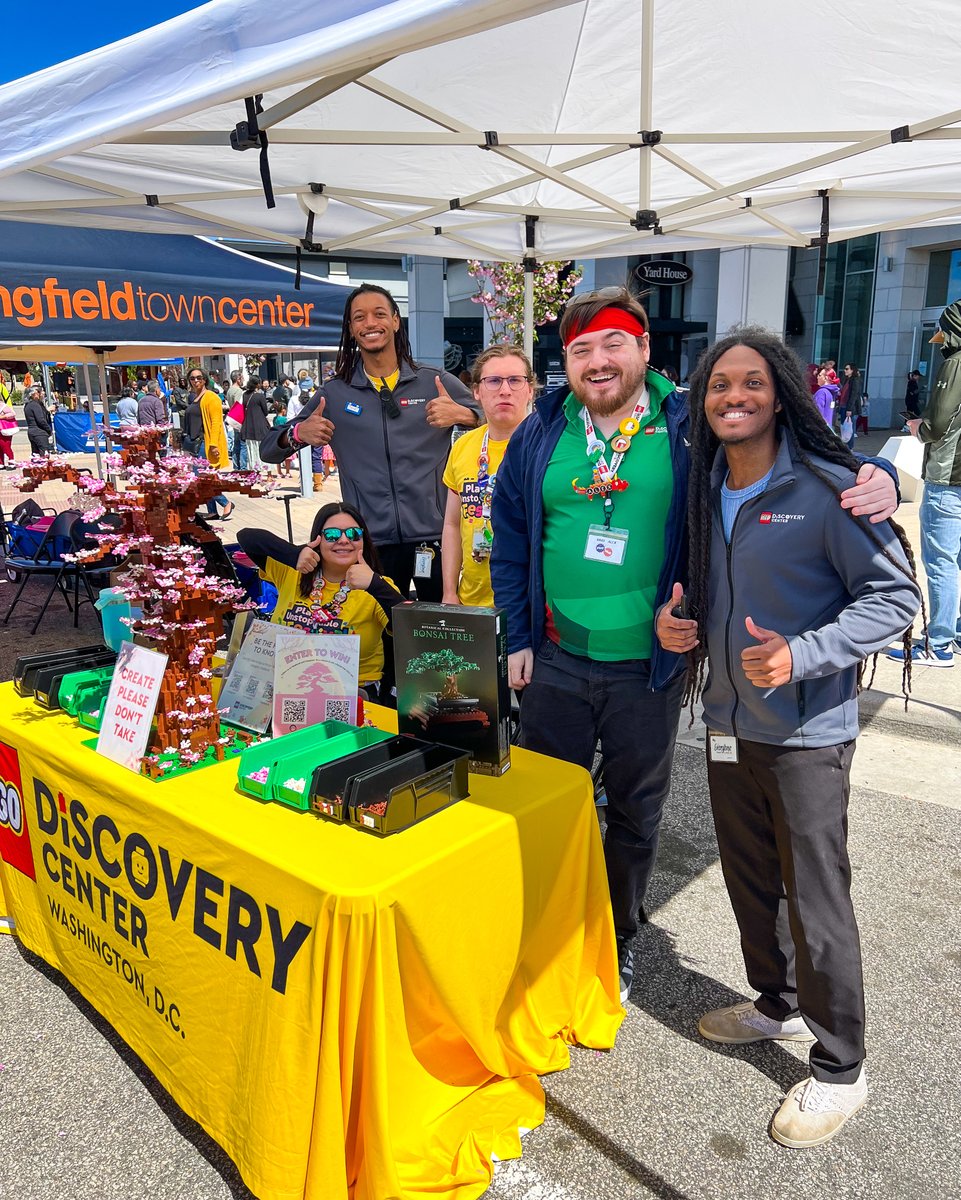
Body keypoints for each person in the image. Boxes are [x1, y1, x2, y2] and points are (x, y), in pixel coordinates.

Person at [490, 287, 901, 1006]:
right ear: (565, 363)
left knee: (633, 814)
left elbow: (796, 446)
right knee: (550, 805)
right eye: (580, 349)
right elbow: (513, 536)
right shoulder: (542, 427)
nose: (597, 360)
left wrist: (883, 476)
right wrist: (517, 635)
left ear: (644, 350)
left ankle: (613, 939)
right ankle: (549, 936)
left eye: (612, 342)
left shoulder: (687, 420)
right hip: (553, 658)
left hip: (649, 667)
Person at [656, 327, 920, 1149]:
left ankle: (840, 1069)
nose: (732, 397)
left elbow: (894, 599)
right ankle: (775, 1004)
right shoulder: (704, 486)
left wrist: (804, 653)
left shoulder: (827, 485)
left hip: (807, 731)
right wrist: (679, 626)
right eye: (717, 386)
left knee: (815, 900)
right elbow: (706, 587)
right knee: (747, 879)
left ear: (780, 395)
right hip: (727, 724)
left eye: (750, 383)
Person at [260, 284, 480, 599]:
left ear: (395, 321)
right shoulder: (334, 394)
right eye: (359, 317)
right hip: (369, 544)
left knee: (436, 636)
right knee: (381, 638)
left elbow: (504, 421)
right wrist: (296, 433)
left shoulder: (434, 382)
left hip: (434, 539)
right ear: (351, 330)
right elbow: (269, 450)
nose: (370, 324)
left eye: (379, 314)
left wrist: (465, 415)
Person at [237, 502, 403, 699]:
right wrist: (294, 554)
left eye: (353, 534)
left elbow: (410, 627)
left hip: (351, 693)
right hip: (283, 686)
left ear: (363, 541)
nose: (343, 540)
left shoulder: (378, 587)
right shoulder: (291, 573)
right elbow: (246, 537)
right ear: (318, 539)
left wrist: (374, 584)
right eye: (332, 534)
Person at [889, 303, 961, 667]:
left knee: (942, 561)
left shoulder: (957, 362)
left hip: (949, 477)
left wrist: (920, 428)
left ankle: (941, 643)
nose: (941, 343)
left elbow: (939, 422)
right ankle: (958, 635)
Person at [442, 345, 534, 606]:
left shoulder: (545, 447)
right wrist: (450, 591)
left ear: (529, 390)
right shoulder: (462, 446)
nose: (504, 390)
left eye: (515, 380)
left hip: (528, 602)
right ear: (477, 392)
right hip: (472, 599)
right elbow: (451, 524)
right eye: (493, 381)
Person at [239, 375, 270, 470]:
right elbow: (265, 412)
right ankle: (269, 474)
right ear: (257, 384)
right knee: (265, 449)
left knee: (252, 451)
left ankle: (255, 472)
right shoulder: (260, 396)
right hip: (260, 426)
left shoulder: (245, 395)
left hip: (248, 427)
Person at [836, 363, 863, 448]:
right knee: (845, 428)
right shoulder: (847, 379)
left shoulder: (855, 380)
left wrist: (849, 409)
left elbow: (853, 395)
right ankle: (847, 446)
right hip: (844, 406)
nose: (845, 370)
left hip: (849, 407)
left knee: (849, 428)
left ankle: (849, 447)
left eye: (847, 369)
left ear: (852, 370)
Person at [23, 385, 53, 456]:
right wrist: (49, 430)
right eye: (42, 391)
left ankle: (36, 466)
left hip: (32, 432)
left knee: (36, 455)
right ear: (36, 393)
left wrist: (47, 411)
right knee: (44, 455)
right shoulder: (35, 405)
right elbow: (41, 420)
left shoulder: (28, 405)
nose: (43, 393)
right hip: (39, 433)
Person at [0, 392, 17, 469]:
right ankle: (1, 462)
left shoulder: (2, 405)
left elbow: (13, 413)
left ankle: (11, 460)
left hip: (5, 429)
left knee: (5, 445)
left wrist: (3, 416)